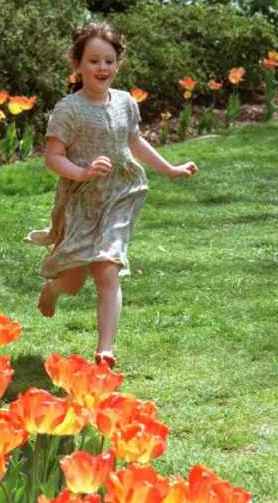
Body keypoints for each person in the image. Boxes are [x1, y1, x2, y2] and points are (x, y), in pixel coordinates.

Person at [26, 22, 198, 368]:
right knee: (73, 280)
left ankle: (105, 351)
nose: (101, 68)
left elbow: (133, 141)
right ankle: (54, 288)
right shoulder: (68, 110)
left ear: (118, 64)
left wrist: (170, 168)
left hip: (121, 192)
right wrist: (83, 172)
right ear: (77, 65)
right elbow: (53, 156)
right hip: (81, 198)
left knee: (107, 266)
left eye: (108, 60)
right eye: (92, 61)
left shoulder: (125, 102)